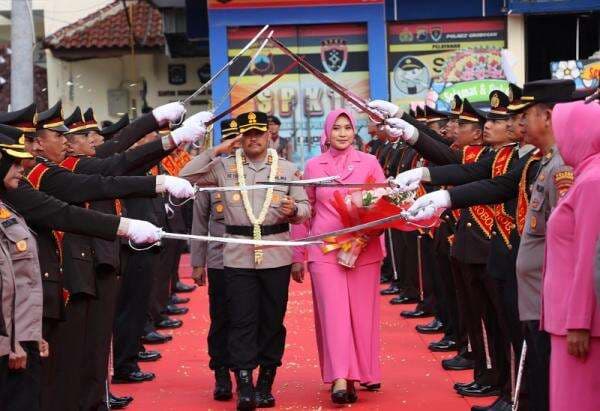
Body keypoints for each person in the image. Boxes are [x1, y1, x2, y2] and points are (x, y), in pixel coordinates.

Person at [180, 111, 310, 410]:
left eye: (258, 133)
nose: (253, 139)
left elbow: (305, 208)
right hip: (236, 255)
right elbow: (185, 177)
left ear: (269, 135)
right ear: (241, 136)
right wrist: (217, 150)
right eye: (247, 133)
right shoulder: (223, 168)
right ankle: (245, 385)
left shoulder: (287, 169)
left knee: (272, 321)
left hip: (276, 253)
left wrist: (295, 210)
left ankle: (266, 382)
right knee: (241, 321)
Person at [292, 108, 385, 405]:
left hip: (364, 251)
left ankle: (358, 373)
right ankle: (340, 379)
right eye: (337, 128)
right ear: (327, 132)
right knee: (333, 315)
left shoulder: (369, 162)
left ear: (354, 131)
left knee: (360, 315)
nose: (342, 133)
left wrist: (361, 239)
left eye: (347, 127)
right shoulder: (313, 166)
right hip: (325, 250)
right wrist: (298, 253)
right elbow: (304, 212)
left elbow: (385, 206)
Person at [542, 99, 600, 411]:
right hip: (568, 320)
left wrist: (579, 321)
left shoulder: (593, 182)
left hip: (580, 327)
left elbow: (589, 256)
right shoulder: (586, 175)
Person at [191, 119, 241, 402]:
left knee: (245, 318)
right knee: (221, 319)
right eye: (231, 142)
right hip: (220, 260)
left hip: (248, 260)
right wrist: (198, 261)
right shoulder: (211, 174)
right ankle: (221, 371)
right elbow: (199, 222)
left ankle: (242, 370)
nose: (236, 148)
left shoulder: (256, 171)